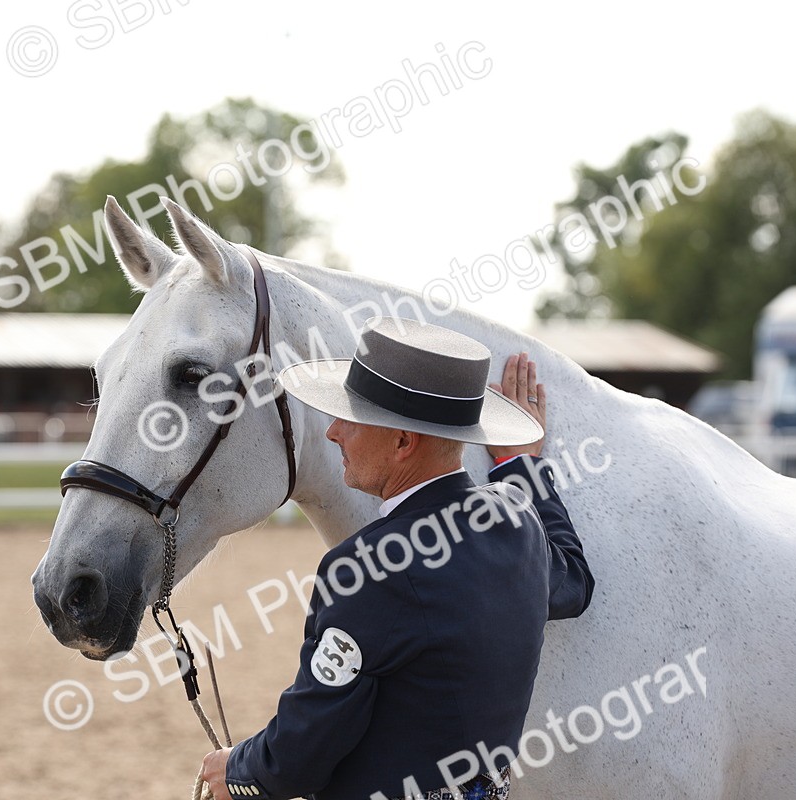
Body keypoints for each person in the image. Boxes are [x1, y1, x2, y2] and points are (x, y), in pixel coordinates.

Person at [201, 317, 595, 800]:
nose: (333, 433)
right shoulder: (520, 522)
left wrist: (238, 767)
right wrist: (523, 466)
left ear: (403, 443)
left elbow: (297, 759)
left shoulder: (367, 570)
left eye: (350, 418)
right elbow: (573, 583)